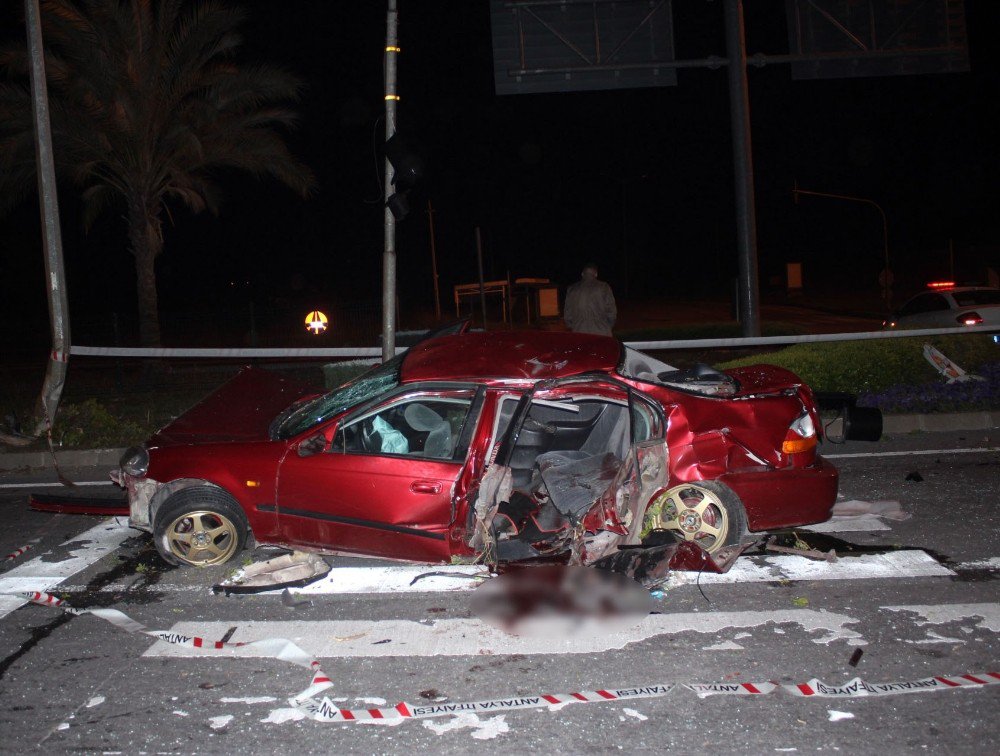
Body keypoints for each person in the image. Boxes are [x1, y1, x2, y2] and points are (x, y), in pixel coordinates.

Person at [564, 263, 617, 336]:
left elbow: (567, 315)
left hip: (579, 333)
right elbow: (612, 312)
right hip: (602, 333)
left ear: (582, 274)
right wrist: (607, 326)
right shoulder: (604, 287)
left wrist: (574, 326)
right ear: (596, 274)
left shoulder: (572, 289)